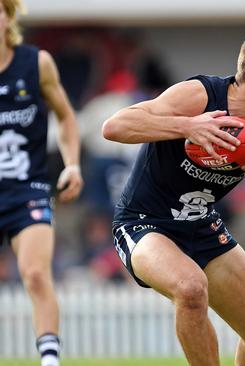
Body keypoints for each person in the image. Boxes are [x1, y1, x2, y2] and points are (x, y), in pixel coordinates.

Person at [102, 28, 245, 365]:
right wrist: (188, 126)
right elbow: (114, 126)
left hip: (202, 224)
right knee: (190, 287)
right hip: (144, 224)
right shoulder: (199, 94)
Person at [0, 1, 83, 366]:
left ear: (8, 17)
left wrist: (73, 165)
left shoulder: (36, 63)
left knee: (34, 273)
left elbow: (65, 118)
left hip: (27, 187)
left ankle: (49, 359)